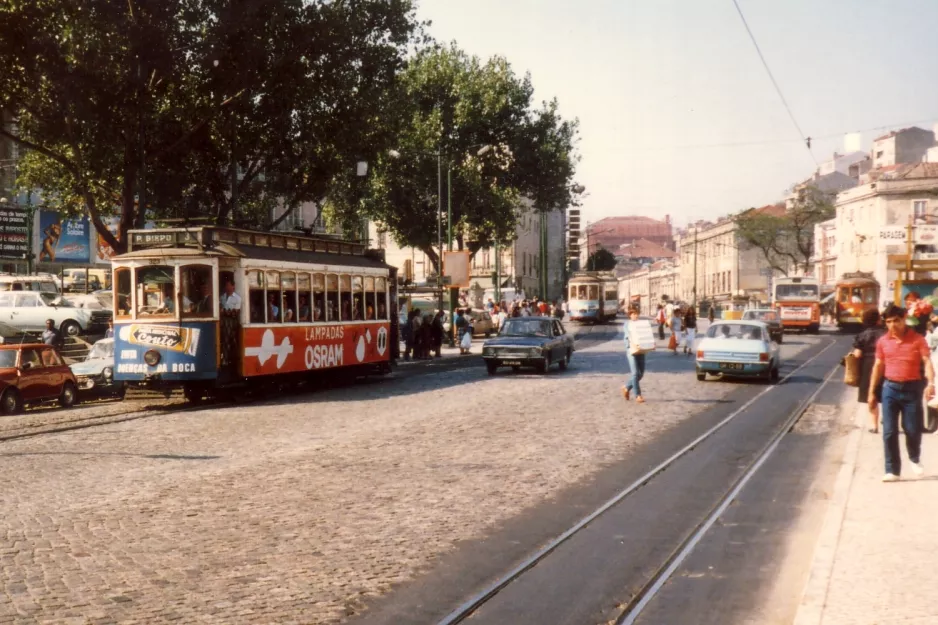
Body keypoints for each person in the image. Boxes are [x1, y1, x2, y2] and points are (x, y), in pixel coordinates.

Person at [869, 304, 936, 482]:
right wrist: (871, 393)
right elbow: (877, 367)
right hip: (890, 388)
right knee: (889, 431)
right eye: (888, 322)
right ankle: (892, 470)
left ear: (904, 318)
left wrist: (930, 383)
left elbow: (927, 362)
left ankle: (914, 458)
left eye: (896, 321)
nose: (892, 325)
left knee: (912, 429)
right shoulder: (883, 341)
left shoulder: (917, 339)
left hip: (912, 389)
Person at [853, 308, 885, 434]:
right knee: (885, 391)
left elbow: (857, 354)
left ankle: (874, 424)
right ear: (878, 319)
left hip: (867, 366)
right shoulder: (885, 333)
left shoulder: (862, 335)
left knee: (871, 395)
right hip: (884, 364)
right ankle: (885, 417)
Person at [621, 305, 646, 404]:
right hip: (631, 350)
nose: (636, 316)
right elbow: (629, 335)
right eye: (633, 314)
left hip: (641, 349)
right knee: (635, 373)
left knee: (640, 374)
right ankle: (638, 395)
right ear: (630, 315)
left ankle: (626, 388)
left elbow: (645, 334)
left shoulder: (641, 324)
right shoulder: (627, 324)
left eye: (637, 314)